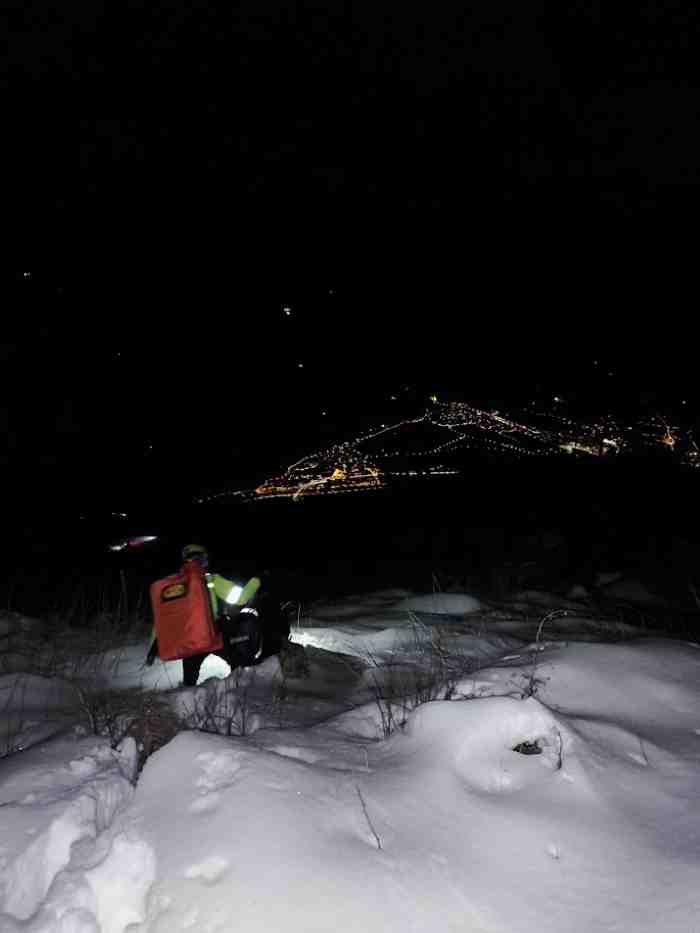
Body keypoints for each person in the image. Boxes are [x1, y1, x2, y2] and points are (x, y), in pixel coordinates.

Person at [146, 543, 263, 686]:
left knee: (189, 682)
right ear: (203, 559)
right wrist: (257, 581)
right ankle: (239, 691)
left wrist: (153, 648)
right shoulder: (211, 580)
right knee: (237, 669)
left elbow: (163, 619)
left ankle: (187, 699)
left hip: (189, 642)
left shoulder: (174, 587)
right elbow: (241, 598)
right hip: (213, 637)